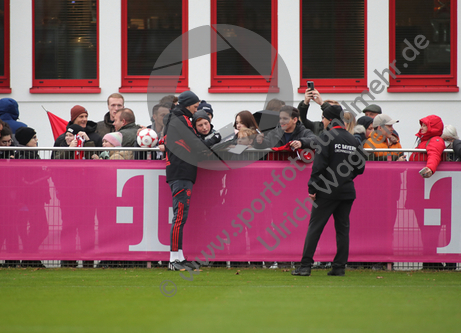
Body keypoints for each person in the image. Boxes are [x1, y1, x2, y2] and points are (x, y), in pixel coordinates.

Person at [291, 104, 366, 277]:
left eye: (323, 118)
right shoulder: (353, 139)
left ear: (330, 120)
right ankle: (339, 267)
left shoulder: (326, 136)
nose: (322, 121)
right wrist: (345, 178)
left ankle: (305, 266)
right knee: (342, 230)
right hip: (347, 191)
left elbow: (319, 165)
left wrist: (313, 187)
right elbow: (360, 167)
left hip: (326, 190)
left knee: (315, 227)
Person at [163, 90, 220, 271]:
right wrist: (216, 138)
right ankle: (173, 259)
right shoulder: (179, 120)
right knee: (179, 216)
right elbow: (196, 146)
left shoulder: (180, 119)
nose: (197, 109)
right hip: (180, 172)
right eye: (195, 105)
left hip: (183, 171)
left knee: (181, 215)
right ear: (188, 104)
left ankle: (179, 257)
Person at [12, 127, 48, 268]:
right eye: (33, 137)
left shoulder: (30, 154)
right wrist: (46, 174)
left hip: (34, 199)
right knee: (41, 229)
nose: (36, 140)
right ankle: (29, 256)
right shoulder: (25, 155)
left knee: (36, 229)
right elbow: (26, 181)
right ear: (26, 140)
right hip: (30, 200)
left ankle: (30, 257)